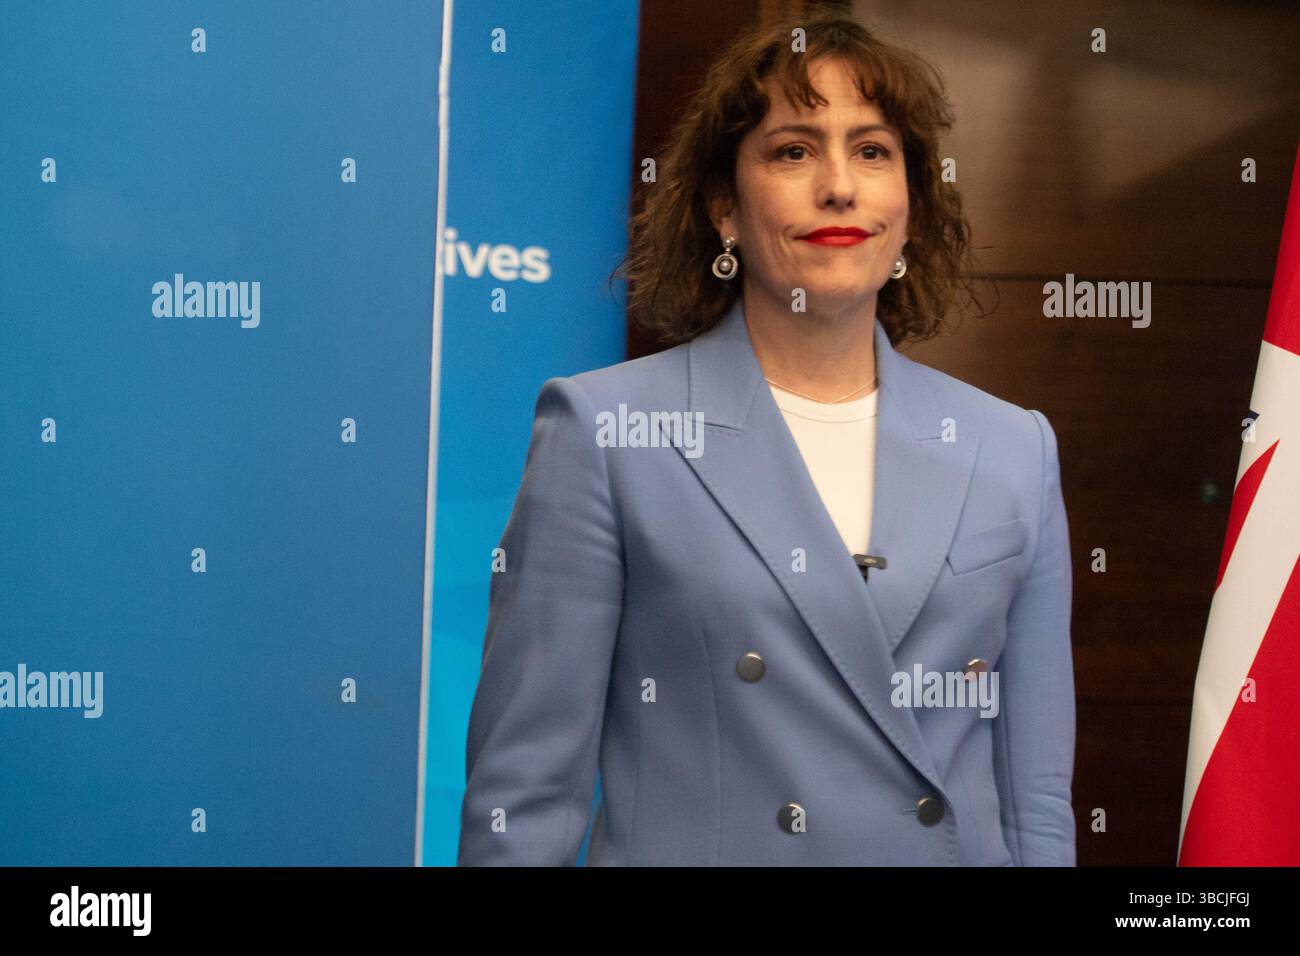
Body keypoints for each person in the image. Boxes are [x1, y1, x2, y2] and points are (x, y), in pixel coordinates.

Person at [457, 10, 1076, 866]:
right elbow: (523, 802)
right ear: (724, 210)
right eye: (792, 151)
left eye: (872, 151)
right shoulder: (606, 433)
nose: (839, 187)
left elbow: (1035, 801)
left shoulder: (1014, 449)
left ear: (910, 206)